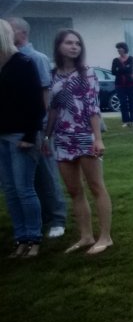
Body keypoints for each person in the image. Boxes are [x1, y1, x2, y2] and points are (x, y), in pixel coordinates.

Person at [44, 29, 113, 255]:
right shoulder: (52, 75)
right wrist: (47, 136)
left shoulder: (86, 73)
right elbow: (53, 109)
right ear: (59, 46)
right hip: (62, 138)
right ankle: (85, 236)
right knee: (74, 190)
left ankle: (105, 237)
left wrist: (98, 138)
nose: (74, 47)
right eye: (69, 43)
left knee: (96, 187)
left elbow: (93, 107)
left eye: (77, 43)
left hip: (85, 136)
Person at [8, 17, 68, 238]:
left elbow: (45, 95)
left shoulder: (37, 58)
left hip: (38, 127)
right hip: (16, 129)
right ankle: (40, 216)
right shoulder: (9, 60)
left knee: (46, 174)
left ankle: (57, 218)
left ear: (21, 33)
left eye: (9, 30)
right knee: (26, 178)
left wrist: (42, 129)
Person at [0, 19, 46, 258]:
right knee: (10, 191)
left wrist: (29, 135)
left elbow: (36, 104)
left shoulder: (23, 63)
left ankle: (34, 238)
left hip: (21, 136)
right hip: (2, 136)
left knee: (24, 189)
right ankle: (21, 238)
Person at [111, 42, 133, 127]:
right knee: (123, 103)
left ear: (124, 49)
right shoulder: (115, 60)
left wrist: (120, 69)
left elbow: (131, 70)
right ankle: (126, 121)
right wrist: (126, 69)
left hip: (131, 84)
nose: (118, 50)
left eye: (120, 48)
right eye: (117, 48)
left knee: (132, 102)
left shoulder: (131, 59)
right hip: (119, 85)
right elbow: (113, 72)